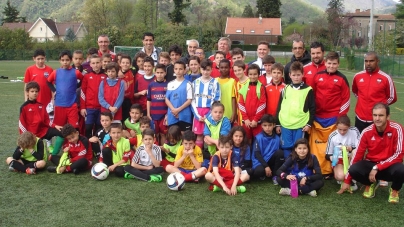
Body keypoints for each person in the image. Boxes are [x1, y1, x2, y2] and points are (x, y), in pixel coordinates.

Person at [338, 103, 404, 204]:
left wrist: (378, 167)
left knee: (401, 169)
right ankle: (370, 183)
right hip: (372, 164)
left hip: (389, 165)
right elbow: (357, 156)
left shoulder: (397, 128)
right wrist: (347, 181)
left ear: (388, 116)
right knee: (354, 169)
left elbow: (399, 155)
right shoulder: (366, 132)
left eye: (381, 115)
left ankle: (394, 190)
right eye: (375, 115)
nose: (377, 118)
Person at [310, 51, 350, 176]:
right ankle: (316, 167)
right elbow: (311, 95)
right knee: (317, 146)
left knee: (331, 146)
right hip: (318, 117)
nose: (331, 66)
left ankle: (331, 169)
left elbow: (346, 99)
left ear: (338, 64)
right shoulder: (317, 76)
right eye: (329, 63)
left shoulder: (342, 79)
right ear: (325, 63)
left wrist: (340, 117)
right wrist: (311, 114)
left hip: (333, 117)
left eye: (334, 64)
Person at [276, 62, 315, 158]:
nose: (296, 77)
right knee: (286, 147)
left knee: (299, 147)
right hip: (285, 124)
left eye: (298, 75)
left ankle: (297, 168)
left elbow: (312, 108)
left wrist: (309, 124)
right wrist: (278, 123)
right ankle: (287, 169)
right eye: (294, 75)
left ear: (303, 74)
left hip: (300, 125)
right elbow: (279, 107)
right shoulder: (285, 89)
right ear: (290, 75)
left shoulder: (308, 89)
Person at [352, 51, 397, 133]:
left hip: (377, 119)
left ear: (377, 61)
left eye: (371, 61)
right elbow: (355, 91)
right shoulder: (357, 76)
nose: (368, 63)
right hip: (360, 118)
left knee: (377, 144)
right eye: (366, 61)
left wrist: (381, 106)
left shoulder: (385, 78)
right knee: (359, 143)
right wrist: (363, 101)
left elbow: (392, 97)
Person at [19, 81, 64, 155]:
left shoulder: (41, 105)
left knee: (63, 132)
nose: (34, 93)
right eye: (32, 91)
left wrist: (55, 126)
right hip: (32, 134)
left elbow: (46, 120)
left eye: (36, 91)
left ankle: (53, 155)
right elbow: (22, 125)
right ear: (27, 93)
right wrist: (26, 136)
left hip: (44, 130)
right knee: (32, 154)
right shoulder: (24, 107)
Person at [47, 50, 83, 131]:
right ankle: (61, 144)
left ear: (70, 60)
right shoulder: (55, 72)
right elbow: (48, 82)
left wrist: (76, 86)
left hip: (72, 104)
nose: (65, 62)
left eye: (67, 60)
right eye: (63, 60)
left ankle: (73, 143)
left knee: (74, 127)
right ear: (60, 61)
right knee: (60, 128)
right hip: (59, 104)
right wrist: (54, 90)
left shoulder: (76, 72)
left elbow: (83, 80)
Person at [191, 59, 221, 150]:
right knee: (199, 135)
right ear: (200, 69)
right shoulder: (195, 82)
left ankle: (211, 156)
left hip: (210, 112)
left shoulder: (215, 82)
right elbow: (192, 101)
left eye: (208, 70)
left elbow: (217, 100)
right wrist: (197, 116)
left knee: (211, 136)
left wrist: (209, 115)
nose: (205, 72)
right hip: (198, 112)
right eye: (203, 69)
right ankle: (199, 155)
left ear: (211, 70)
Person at [325, 115, 360, 190]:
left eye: (345, 130)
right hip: (339, 159)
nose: (342, 132)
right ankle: (344, 178)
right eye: (340, 129)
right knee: (340, 176)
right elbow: (327, 154)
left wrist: (351, 149)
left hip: (351, 158)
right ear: (336, 126)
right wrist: (333, 158)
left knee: (355, 151)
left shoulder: (354, 131)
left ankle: (352, 176)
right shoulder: (333, 136)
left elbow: (360, 147)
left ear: (349, 126)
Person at [251, 114, 284, 183]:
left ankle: (275, 175)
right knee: (259, 171)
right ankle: (264, 173)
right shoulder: (258, 137)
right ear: (262, 126)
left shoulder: (277, 138)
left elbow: (277, 154)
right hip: (260, 161)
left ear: (274, 125)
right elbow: (257, 154)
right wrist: (266, 166)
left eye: (270, 125)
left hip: (271, 161)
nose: (267, 128)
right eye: (265, 125)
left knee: (280, 153)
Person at [80, 54, 106, 139]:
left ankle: (96, 147)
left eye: (97, 62)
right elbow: (83, 92)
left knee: (99, 128)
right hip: (89, 107)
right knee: (88, 127)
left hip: (101, 108)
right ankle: (88, 146)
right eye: (93, 63)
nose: (96, 65)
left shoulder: (105, 76)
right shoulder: (87, 76)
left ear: (101, 63)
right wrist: (83, 107)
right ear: (90, 64)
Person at [238, 64, 266, 142]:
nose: (253, 76)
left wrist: (256, 119)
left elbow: (262, 104)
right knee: (247, 141)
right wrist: (245, 119)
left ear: (259, 74)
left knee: (258, 141)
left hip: (257, 121)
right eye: (250, 74)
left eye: (255, 74)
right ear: (247, 74)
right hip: (246, 121)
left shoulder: (261, 87)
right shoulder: (244, 87)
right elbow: (240, 104)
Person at [165, 61, 193, 132]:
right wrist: (173, 110)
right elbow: (167, 99)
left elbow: (189, 100)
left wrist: (178, 110)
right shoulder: (170, 84)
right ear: (174, 70)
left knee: (184, 137)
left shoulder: (188, 84)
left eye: (180, 69)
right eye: (176, 69)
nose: (178, 71)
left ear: (184, 70)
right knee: (173, 136)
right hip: (172, 115)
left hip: (184, 115)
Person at [203, 102, 231, 166]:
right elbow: (206, 135)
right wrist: (214, 141)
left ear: (223, 112)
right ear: (211, 112)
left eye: (220, 112)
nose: (218, 114)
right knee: (212, 163)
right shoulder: (207, 121)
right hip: (212, 147)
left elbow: (223, 136)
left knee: (221, 163)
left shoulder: (225, 121)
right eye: (215, 112)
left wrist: (211, 141)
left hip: (222, 146)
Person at [147, 63, 168, 145]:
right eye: (158, 72)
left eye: (161, 72)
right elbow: (148, 100)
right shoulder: (151, 85)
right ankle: (155, 152)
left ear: (165, 73)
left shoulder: (168, 84)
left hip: (164, 115)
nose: (159, 74)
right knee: (155, 134)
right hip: (153, 115)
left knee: (163, 134)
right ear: (155, 73)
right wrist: (148, 113)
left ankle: (163, 151)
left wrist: (168, 114)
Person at [119, 54, 136, 123]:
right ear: (120, 64)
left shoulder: (133, 71)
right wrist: (118, 70)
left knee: (127, 119)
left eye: (127, 63)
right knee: (119, 118)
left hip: (129, 100)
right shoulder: (116, 73)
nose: (125, 64)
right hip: (118, 100)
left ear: (130, 64)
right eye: (123, 63)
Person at [233, 60, 249, 126]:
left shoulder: (250, 82)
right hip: (239, 113)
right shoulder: (235, 83)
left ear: (244, 69)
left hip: (249, 113)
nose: (237, 72)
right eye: (235, 71)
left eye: (239, 70)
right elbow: (235, 99)